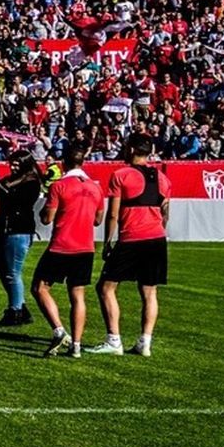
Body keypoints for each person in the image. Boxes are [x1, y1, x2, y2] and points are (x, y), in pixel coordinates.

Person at [95, 133, 171, 357]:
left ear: (130, 149)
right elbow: (165, 213)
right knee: (149, 291)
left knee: (106, 287)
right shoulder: (163, 178)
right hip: (156, 238)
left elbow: (113, 214)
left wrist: (108, 242)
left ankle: (114, 340)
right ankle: (145, 341)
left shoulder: (121, 175)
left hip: (131, 237)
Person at [34, 143, 100, 359]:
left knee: (40, 287)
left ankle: (59, 330)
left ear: (63, 163)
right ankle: (77, 346)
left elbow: (47, 218)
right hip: (85, 246)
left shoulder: (60, 186)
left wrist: (45, 210)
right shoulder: (95, 187)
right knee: (77, 295)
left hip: (62, 244)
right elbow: (98, 219)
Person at [0, 151, 42, 326]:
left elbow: (16, 200)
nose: (13, 167)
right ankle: (20, 306)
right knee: (1, 270)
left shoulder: (32, 182)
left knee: (13, 272)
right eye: (11, 163)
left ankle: (15, 311)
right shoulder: (10, 180)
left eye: (17, 164)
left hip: (19, 230)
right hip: (2, 228)